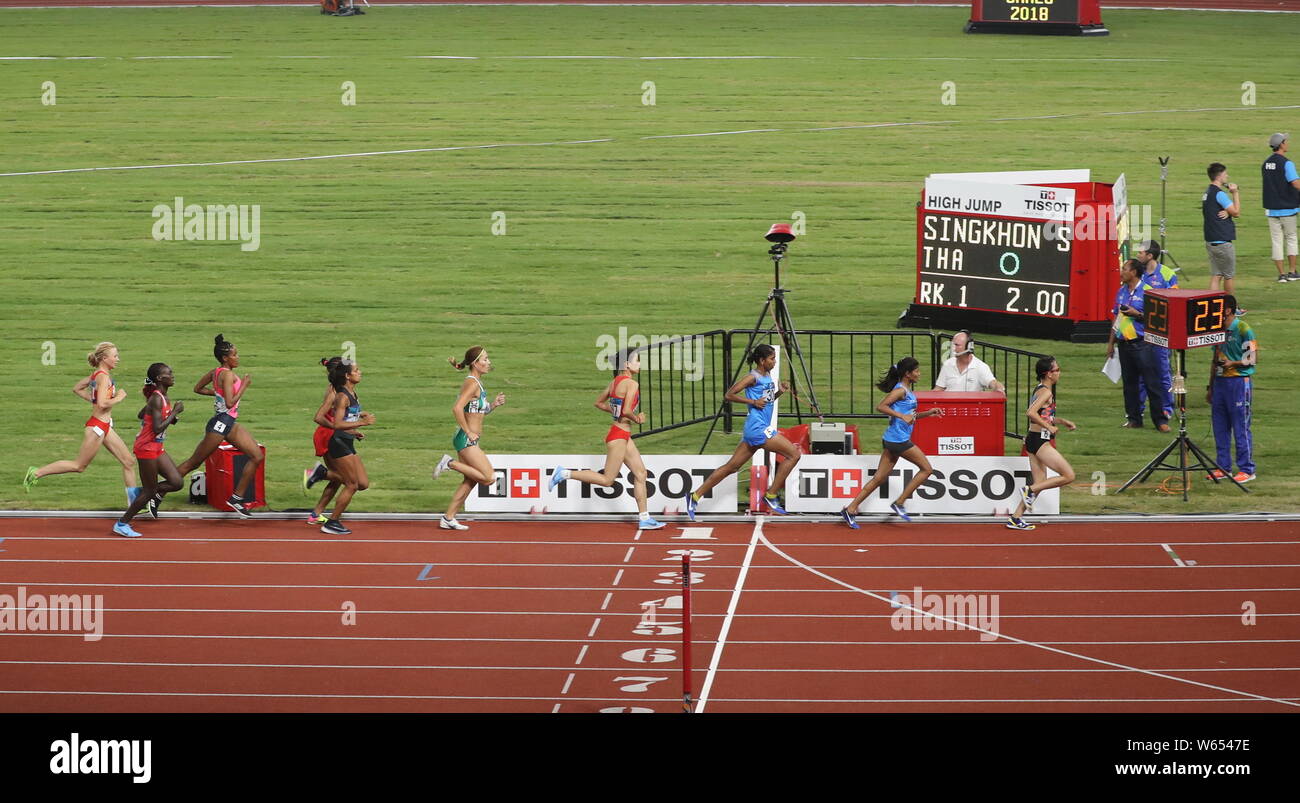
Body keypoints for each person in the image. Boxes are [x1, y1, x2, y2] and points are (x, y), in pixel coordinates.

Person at [547, 352, 665, 530]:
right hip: (618, 436)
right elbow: (626, 410)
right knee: (607, 480)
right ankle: (564, 473)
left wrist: (616, 412)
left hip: (622, 435)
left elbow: (599, 403)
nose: (640, 364)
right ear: (626, 364)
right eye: (637, 361)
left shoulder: (615, 382)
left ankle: (645, 518)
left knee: (641, 474)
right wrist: (637, 418)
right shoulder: (632, 384)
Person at [685, 344, 801, 520]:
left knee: (732, 467)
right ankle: (771, 495)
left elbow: (765, 401)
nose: (775, 362)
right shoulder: (751, 377)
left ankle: (694, 496)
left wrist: (779, 393)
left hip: (755, 429)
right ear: (762, 361)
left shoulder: (767, 374)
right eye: (772, 359)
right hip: (758, 429)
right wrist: (752, 403)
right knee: (794, 455)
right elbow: (729, 395)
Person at [24, 342, 141, 503]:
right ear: (105, 358)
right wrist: (119, 397)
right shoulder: (103, 377)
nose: (118, 359)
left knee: (128, 461)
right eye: (115, 356)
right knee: (79, 466)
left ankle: (135, 504)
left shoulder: (97, 374)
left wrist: (93, 399)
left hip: (104, 426)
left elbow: (77, 388)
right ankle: (36, 472)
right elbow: (102, 404)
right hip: (97, 428)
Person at [839, 356, 945, 528]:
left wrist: (929, 413)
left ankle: (850, 509)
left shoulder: (907, 391)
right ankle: (900, 502)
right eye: (916, 371)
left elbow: (910, 415)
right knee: (926, 469)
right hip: (898, 440)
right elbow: (881, 406)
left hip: (892, 439)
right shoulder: (900, 391)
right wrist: (901, 416)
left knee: (878, 479)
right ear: (907, 374)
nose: (919, 373)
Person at [172, 334, 265, 517]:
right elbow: (230, 403)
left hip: (229, 423)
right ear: (225, 358)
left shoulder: (215, 372)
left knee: (256, 456)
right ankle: (156, 493)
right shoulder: (228, 374)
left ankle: (236, 498)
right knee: (194, 462)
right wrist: (244, 386)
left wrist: (217, 394)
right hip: (221, 424)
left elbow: (197, 389)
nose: (237, 357)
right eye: (235, 355)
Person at [432, 346, 506, 531]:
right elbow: (457, 408)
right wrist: (468, 432)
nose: (489, 363)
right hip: (466, 439)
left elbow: (477, 412)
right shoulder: (471, 383)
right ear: (475, 363)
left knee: (470, 481)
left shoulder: (477, 383)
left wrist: (494, 405)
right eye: (486, 359)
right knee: (489, 478)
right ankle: (449, 463)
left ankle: (448, 518)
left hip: (469, 439)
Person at [112, 363, 186, 538]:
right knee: (150, 492)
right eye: (170, 373)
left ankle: (142, 492)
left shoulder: (160, 398)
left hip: (157, 447)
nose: (173, 376)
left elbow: (141, 415)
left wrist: (167, 415)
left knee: (177, 482)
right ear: (160, 378)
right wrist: (174, 412)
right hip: (146, 448)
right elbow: (158, 428)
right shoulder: (158, 398)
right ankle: (121, 524)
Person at [1006, 357, 1077, 531]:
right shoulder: (1046, 392)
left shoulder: (1041, 389)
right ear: (1048, 374)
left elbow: (1043, 414)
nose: (1059, 372)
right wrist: (1049, 428)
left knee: (1040, 482)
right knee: (1068, 476)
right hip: (1039, 441)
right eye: (1057, 369)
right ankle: (1029, 490)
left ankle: (1016, 518)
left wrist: (1060, 421)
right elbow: (1030, 413)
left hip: (1033, 439)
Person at [1106, 259, 1171, 432]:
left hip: (1143, 344)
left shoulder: (1149, 292)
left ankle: (1160, 421)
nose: (1121, 271)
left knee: (1152, 383)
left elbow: (1158, 320)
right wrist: (1111, 343)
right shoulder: (1121, 292)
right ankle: (1134, 419)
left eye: (1124, 269)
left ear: (1134, 272)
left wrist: (1138, 314)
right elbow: (1116, 318)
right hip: (1124, 345)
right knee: (1129, 384)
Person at [317, 359, 374, 534]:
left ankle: (322, 474)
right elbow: (337, 424)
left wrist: (353, 432)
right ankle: (332, 522)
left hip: (347, 441)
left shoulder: (352, 393)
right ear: (347, 376)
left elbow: (347, 420)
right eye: (356, 370)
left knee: (363, 483)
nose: (360, 372)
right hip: (338, 444)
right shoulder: (341, 396)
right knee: (351, 484)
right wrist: (362, 423)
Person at [1207, 295, 1257, 484]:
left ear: (1227, 310)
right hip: (1220, 384)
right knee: (1220, 427)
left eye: (1217, 309)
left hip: (1238, 382)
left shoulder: (1243, 328)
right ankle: (1223, 467)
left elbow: (1251, 358)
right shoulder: (1217, 330)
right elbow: (1215, 359)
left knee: (1240, 426)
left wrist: (1232, 363)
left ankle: (1247, 469)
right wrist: (1210, 387)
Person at [1133, 240, 1178, 422]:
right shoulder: (1137, 274)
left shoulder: (1167, 275)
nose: (1138, 255)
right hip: (1140, 332)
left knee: (1163, 371)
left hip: (1161, 332)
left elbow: (1174, 302)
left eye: (1141, 252)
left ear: (1150, 256)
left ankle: (1167, 408)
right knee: (1141, 374)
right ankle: (1139, 409)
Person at [303, 357, 346, 526]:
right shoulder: (334, 392)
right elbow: (319, 416)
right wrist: (337, 427)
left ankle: (316, 514)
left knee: (338, 478)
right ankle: (318, 473)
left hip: (331, 434)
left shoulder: (339, 389)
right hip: (327, 434)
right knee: (347, 479)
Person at [1262, 133, 1300, 283]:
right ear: (1282, 144)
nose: (1287, 143)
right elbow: (1295, 183)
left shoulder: (1266, 163)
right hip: (1287, 208)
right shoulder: (1286, 163)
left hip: (1271, 208)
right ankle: (1292, 272)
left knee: (1276, 241)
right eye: (1286, 141)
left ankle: (1281, 274)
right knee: (1291, 238)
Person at [1202, 162, 1242, 296]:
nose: (1227, 176)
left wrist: (1227, 211)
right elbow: (1236, 212)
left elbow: (1215, 211)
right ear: (1219, 176)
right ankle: (1231, 308)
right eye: (1225, 174)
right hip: (1223, 242)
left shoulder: (1207, 193)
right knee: (1228, 276)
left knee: (1216, 275)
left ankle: (1211, 305)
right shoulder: (1220, 194)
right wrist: (1235, 193)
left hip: (1210, 240)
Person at [933, 330, 1006, 394]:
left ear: (969, 346)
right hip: (948, 407)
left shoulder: (980, 366)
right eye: (952, 344)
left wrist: (999, 388)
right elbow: (939, 388)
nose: (953, 348)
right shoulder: (948, 364)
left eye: (957, 345)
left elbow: (993, 383)